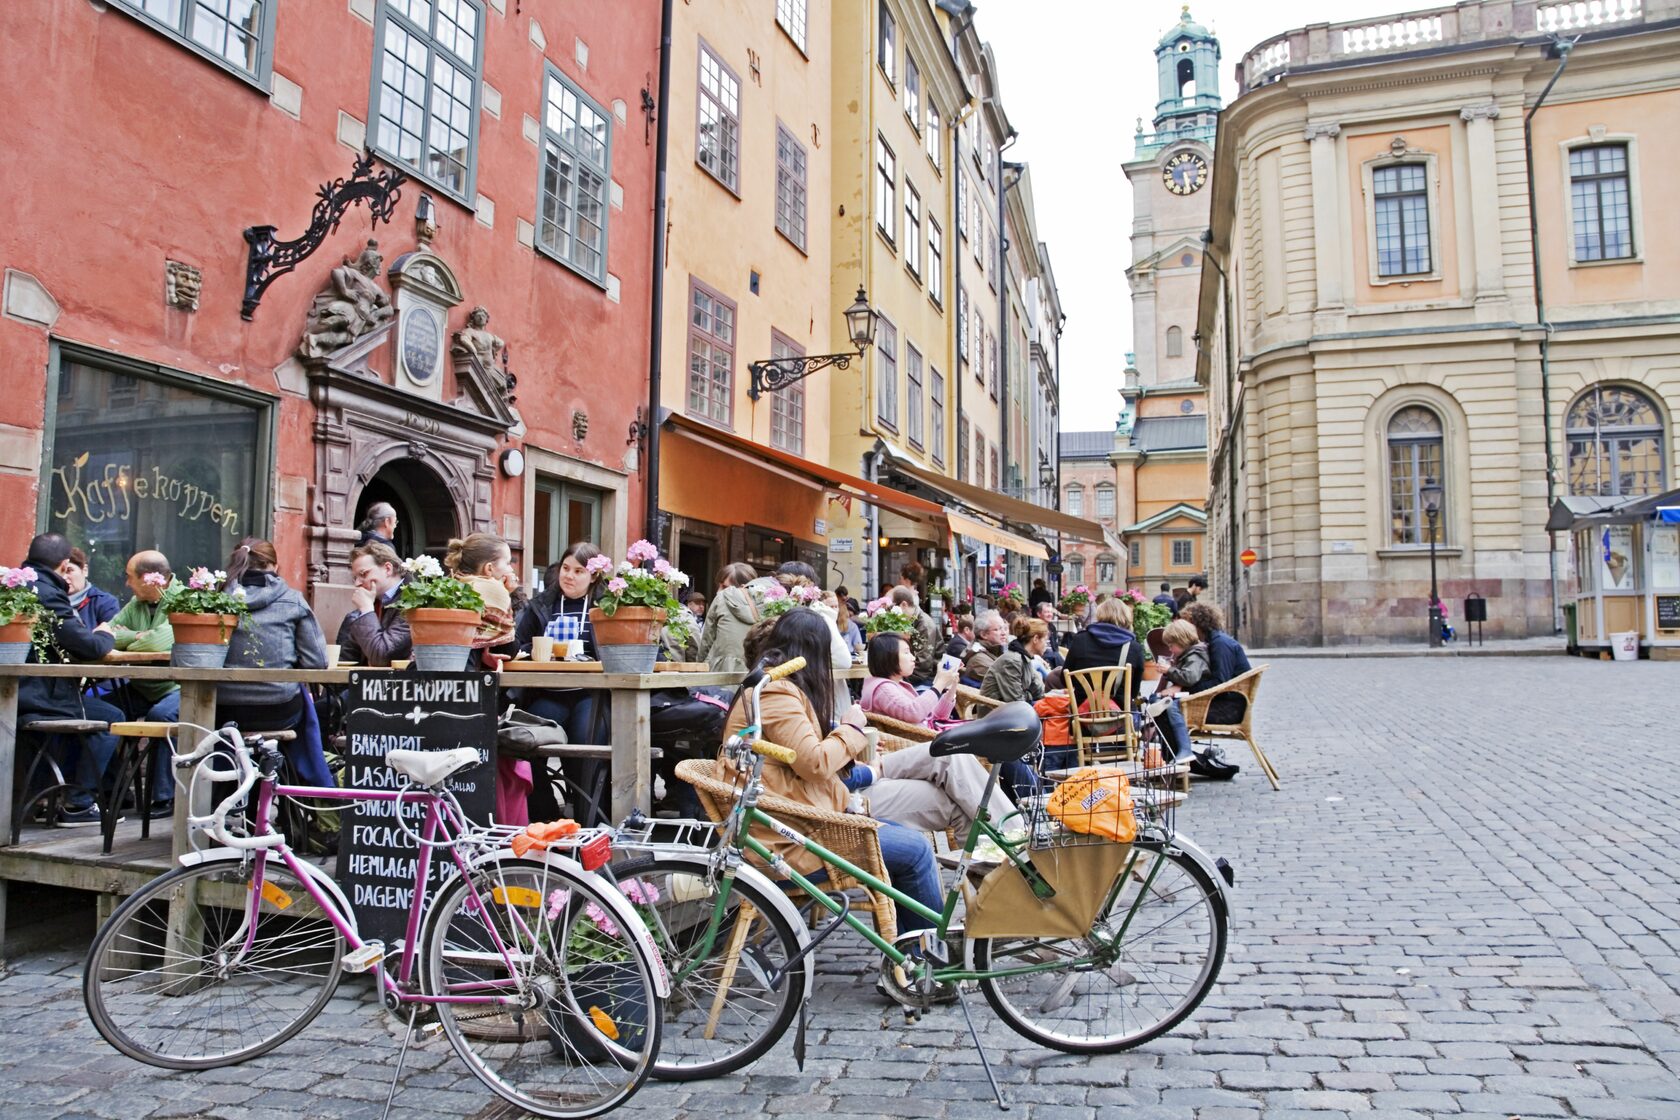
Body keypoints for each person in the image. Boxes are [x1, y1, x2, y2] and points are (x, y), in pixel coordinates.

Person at [719, 611, 1013, 937]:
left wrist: (859, 759)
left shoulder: (784, 690)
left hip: (828, 799)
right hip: (807, 826)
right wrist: (850, 729)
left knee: (952, 777)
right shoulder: (776, 692)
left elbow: (809, 765)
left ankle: (997, 903)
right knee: (916, 845)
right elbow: (814, 764)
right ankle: (931, 947)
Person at [16, 533, 122, 826]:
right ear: (64, 565)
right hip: (35, 695)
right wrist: (104, 634)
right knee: (111, 718)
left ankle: (39, 800)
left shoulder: (18, 584)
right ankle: (78, 805)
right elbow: (87, 647)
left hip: (20, 693)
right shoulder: (47, 592)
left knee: (80, 717)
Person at [215, 538, 334, 788]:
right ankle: (302, 787)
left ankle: (224, 791)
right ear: (273, 565)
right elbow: (317, 661)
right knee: (304, 706)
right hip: (278, 709)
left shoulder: (215, 599)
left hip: (224, 709)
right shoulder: (292, 599)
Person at [516, 543, 607, 820]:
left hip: (591, 693)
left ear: (594, 576)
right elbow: (518, 643)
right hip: (550, 691)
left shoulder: (607, 606)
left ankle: (588, 824)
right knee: (522, 742)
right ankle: (543, 816)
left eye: (579, 571)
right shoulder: (541, 605)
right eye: (566, 569)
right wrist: (531, 652)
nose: (569, 576)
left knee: (584, 753)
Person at [106, 550, 181, 818]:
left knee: (160, 716)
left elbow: (157, 644)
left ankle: (163, 797)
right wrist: (139, 635)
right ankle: (112, 790)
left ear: (151, 579)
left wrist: (126, 637)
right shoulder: (136, 604)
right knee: (100, 711)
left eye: (130, 577)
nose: (126, 584)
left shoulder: (182, 599)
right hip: (143, 685)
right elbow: (102, 635)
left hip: (180, 687)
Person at [445, 532, 519, 665]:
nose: (511, 569)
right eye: (507, 563)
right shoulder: (494, 592)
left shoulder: (452, 585)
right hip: (464, 678)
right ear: (489, 569)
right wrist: (506, 594)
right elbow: (509, 648)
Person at [860, 632, 959, 727]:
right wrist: (940, 683)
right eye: (906, 652)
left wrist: (951, 687)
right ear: (888, 657)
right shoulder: (883, 689)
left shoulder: (893, 685)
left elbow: (935, 717)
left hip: (929, 737)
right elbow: (914, 713)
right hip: (924, 742)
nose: (913, 658)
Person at [338, 541, 411, 666]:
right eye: (355, 578)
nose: (357, 583)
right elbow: (345, 663)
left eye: (363, 574)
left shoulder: (414, 604)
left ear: (388, 569)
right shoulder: (361, 611)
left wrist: (366, 610)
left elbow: (382, 656)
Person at [1180, 602, 1252, 725]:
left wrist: (1184, 689)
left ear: (1194, 623)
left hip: (1229, 710)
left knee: (1171, 712)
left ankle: (1179, 745)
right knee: (1169, 708)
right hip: (1223, 703)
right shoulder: (1213, 640)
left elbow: (1220, 683)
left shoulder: (1220, 644)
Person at [697, 562, 758, 674]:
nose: (718, 591)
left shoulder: (721, 598)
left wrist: (699, 666)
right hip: (754, 671)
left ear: (742, 586)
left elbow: (707, 640)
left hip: (720, 669)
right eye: (719, 586)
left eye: (724, 587)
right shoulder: (766, 603)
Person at [981, 616, 1049, 705]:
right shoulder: (1012, 661)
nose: (1046, 644)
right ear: (1035, 639)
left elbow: (1039, 692)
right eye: (1045, 640)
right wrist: (1029, 695)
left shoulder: (1025, 658)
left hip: (1012, 711)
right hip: (996, 715)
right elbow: (1016, 702)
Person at [890, 585, 940, 684]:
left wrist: (898, 680)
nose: (890, 612)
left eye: (892, 607)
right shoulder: (910, 621)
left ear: (904, 605)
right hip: (913, 675)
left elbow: (923, 667)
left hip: (929, 680)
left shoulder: (924, 625)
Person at [63, 548, 119, 632]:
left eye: (69, 571)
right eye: (60, 572)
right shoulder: (48, 600)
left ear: (85, 570)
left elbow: (111, 638)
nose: (64, 577)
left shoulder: (105, 603)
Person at [1156, 619, 1210, 694]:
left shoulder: (1195, 656)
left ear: (1181, 641)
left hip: (1194, 697)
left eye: (1171, 646)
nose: (1170, 649)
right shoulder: (1188, 654)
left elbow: (1189, 678)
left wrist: (1169, 670)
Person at [962, 610, 1008, 686]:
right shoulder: (978, 660)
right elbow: (1009, 683)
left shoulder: (995, 651)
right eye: (997, 629)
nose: (1003, 633)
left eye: (1004, 628)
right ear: (983, 635)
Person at [1034, 600, 1065, 671]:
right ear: (1039, 614)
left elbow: (1055, 646)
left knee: (1056, 656)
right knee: (1056, 656)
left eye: (1051, 612)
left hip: (1053, 656)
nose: (1050, 614)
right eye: (1047, 612)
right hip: (1041, 656)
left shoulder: (1052, 627)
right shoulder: (1035, 627)